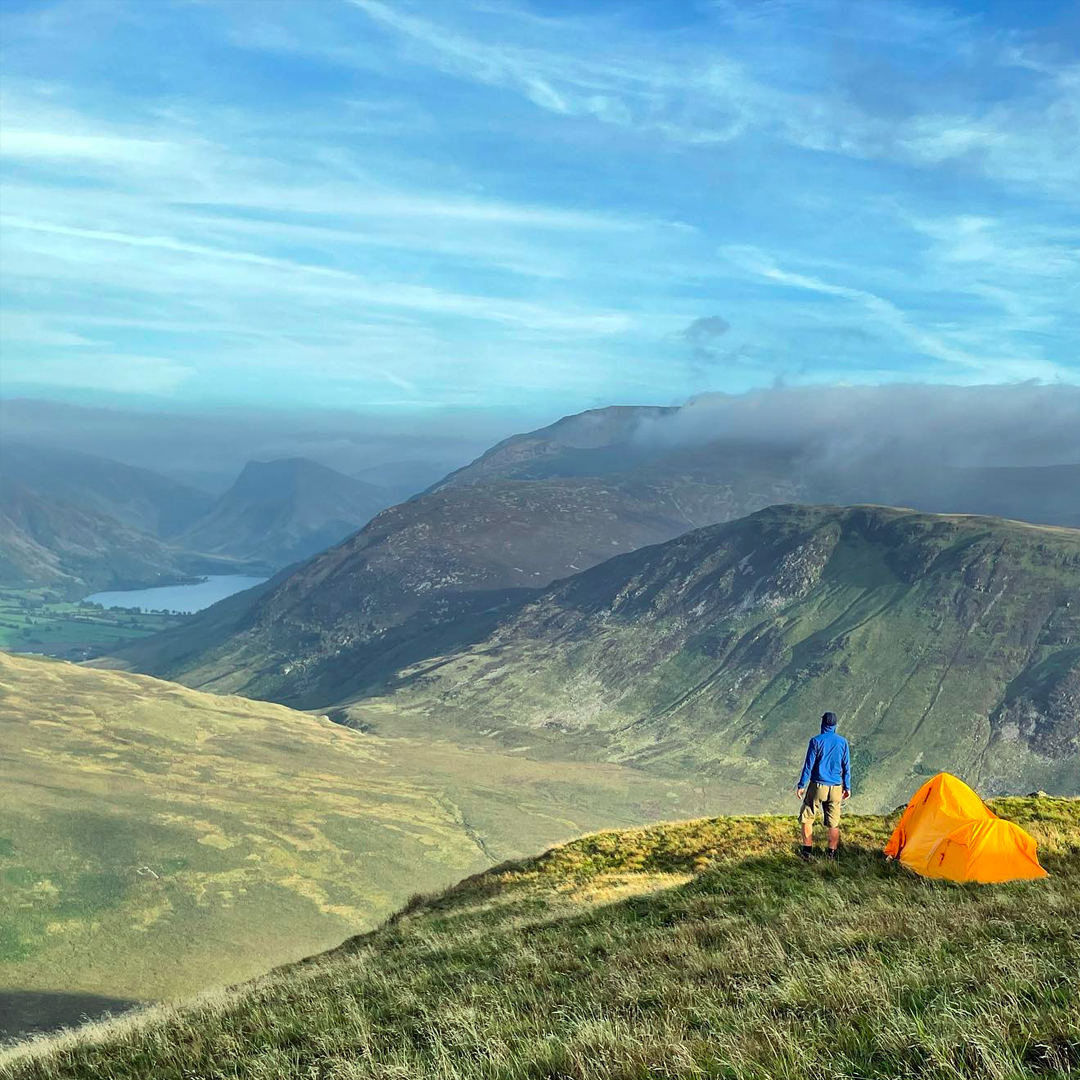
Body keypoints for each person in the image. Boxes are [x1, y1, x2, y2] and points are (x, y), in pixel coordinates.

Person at [796, 710, 851, 860]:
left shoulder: (816, 741)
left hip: (818, 785)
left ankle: (807, 852)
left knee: (807, 816)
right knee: (834, 823)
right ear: (835, 724)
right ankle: (831, 855)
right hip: (836, 786)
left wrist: (801, 785)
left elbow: (808, 766)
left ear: (823, 723)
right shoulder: (842, 742)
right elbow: (846, 766)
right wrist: (847, 787)